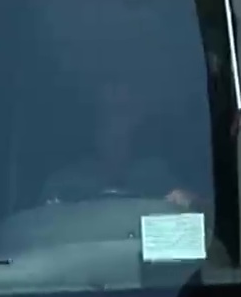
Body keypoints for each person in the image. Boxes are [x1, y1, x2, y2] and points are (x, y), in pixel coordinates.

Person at [41, 73, 197, 208]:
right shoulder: (64, 185)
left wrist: (189, 202)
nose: (114, 123)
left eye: (122, 112)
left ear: (136, 121)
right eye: (105, 113)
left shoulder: (158, 177)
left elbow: (199, 216)